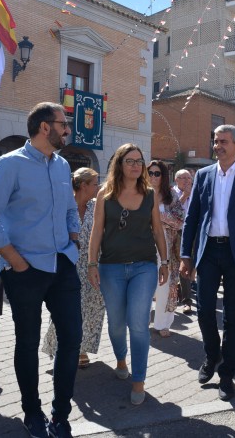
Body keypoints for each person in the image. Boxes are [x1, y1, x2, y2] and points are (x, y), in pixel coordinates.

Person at [0, 102, 81, 438]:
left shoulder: (63, 166)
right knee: (27, 342)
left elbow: (69, 210)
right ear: (44, 126)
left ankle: (60, 415)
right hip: (25, 269)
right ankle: (32, 412)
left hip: (62, 264)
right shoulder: (9, 165)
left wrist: (74, 240)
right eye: (64, 124)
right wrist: (14, 259)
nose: (68, 130)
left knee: (72, 340)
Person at [180, 124, 235, 401]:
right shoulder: (204, 175)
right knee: (205, 311)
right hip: (208, 253)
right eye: (215, 140)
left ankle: (227, 374)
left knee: (232, 317)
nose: (217, 145)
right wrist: (186, 255)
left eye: (223, 141)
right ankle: (212, 354)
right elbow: (192, 216)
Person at [87, 144, 168, 406]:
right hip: (110, 267)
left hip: (144, 267)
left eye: (139, 161)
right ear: (119, 164)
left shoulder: (150, 194)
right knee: (117, 324)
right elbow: (96, 231)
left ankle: (139, 380)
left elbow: (157, 230)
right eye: (130, 160)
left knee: (138, 324)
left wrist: (164, 261)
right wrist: (91, 264)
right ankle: (121, 358)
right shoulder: (105, 194)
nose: (136, 165)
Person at [42, 167, 104, 369]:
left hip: (93, 263)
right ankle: (59, 346)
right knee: (68, 309)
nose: (98, 187)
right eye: (95, 183)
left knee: (91, 307)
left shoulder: (96, 206)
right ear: (84, 185)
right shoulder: (64, 205)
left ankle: (82, 348)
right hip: (69, 264)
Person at [148, 160, 184, 338]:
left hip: (167, 247)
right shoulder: (139, 193)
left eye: (157, 173)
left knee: (165, 286)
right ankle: (142, 320)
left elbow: (179, 220)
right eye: (150, 173)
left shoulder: (171, 195)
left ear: (163, 176)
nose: (153, 176)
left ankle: (163, 323)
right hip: (142, 246)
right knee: (144, 285)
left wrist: (157, 215)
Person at [173, 169, 194, 313]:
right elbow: (171, 211)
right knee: (173, 264)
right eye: (183, 178)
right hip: (174, 231)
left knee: (186, 263)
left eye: (189, 177)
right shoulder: (171, 193)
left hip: (190, 232)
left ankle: (187, 300)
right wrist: (184, 196)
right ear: (176, 180)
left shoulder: (196, 192)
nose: (187, 180)